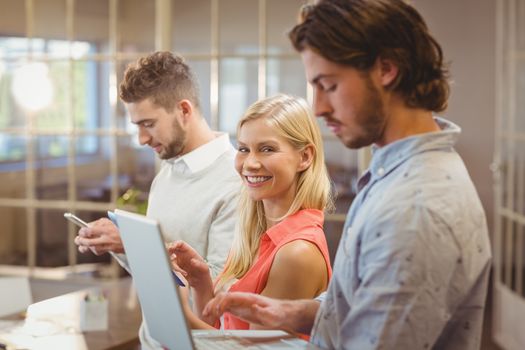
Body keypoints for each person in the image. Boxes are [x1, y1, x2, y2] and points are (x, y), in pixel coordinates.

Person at [202, 1, 492, 349]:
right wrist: (297, 314)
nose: (320, 107)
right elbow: (367, 305)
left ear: (386, 69)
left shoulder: (414, 209)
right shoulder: (398, 175)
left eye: (329, 85)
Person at [74, 51, 240, 349]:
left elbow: (218, 294)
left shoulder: (235, 182)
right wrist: (115, 243)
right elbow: (157, 279)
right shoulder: (167, 172)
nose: (141, 139)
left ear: (184, 110)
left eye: (148, 124)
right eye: (136, 125)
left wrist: (131, 242)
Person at [168, 94, 333, 332]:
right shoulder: (256, 234)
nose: (250, 163)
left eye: (267, 149)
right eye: (244, 149)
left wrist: (178, 316)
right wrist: (201, 282)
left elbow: (247, 349)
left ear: (305, 157)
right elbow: (222, 329)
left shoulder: (297, 253)